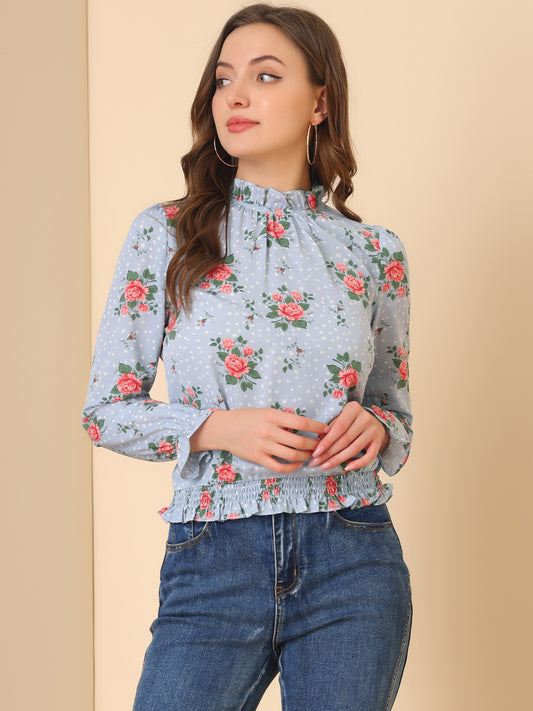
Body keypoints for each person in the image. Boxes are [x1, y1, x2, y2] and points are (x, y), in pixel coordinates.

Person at [82, 4, 413, 710]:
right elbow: (104, 413)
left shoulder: (373, 253)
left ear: (319, 102)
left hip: (352, 556)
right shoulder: (165, 234)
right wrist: (215, 427)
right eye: (223, 78)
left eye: (265, 76)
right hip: (212, 558)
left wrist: (379, 427)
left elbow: (395, 415)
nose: (235, 95)